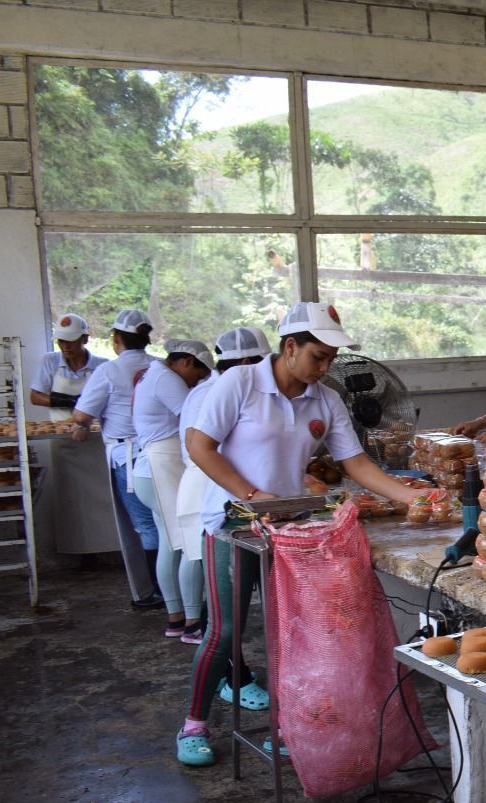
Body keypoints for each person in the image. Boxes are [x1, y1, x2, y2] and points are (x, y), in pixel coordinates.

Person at [175, 302, 437, 767]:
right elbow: (200, 446)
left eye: (332, 359)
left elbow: (354, 463)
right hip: (233, 523)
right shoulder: (240, 384)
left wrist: (411, 498)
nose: (325, 367)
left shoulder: (325, 399)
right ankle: (194, 724)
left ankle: (287, 726)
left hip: (290, 529)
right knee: (227, 630)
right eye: (318, 356)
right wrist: (252, 495)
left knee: (291, 633)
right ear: (290, 346)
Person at [172, 327, 270, 645]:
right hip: (211, 484)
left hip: (225, 485)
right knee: (201, 566)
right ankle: (219, 659)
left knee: (221, 588)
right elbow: (195, 444)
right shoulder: (214, 390)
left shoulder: (229, 386)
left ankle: (209, 636)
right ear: (245, 362)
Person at [70, 309, 164, 609]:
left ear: (117, 339)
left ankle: (160, 593)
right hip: (163, 453)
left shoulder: (109, 371)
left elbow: (83, 414)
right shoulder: (161, 367)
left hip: (129, 458)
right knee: (166, 522)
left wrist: (81, 425)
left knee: (146, 526)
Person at [131, 338, 214, 638]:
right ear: (187, 363)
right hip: (161, 467)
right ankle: (192, 622)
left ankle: (177, 616)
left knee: (171, 542)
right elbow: (197, 418)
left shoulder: (154, 375)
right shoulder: (167, 379)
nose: (198, 381)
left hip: (150, 469)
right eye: (199, 374)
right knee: (190, 542)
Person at [29, 312, 109, 416]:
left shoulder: (102, 365)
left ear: (85, 339)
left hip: (94, 427)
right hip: (60, 428)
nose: (65, 346)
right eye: (61, 341)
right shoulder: (50, 361)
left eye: (71, 341)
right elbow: (35, 397)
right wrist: (69, 401)